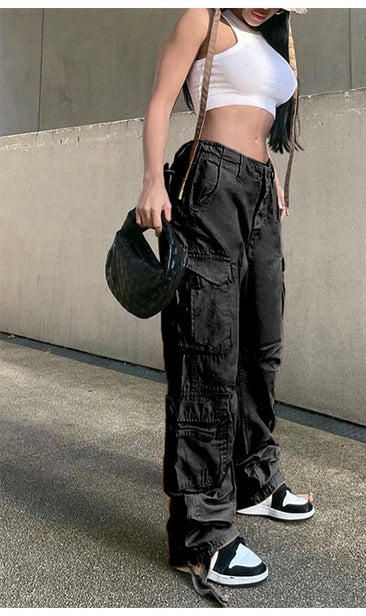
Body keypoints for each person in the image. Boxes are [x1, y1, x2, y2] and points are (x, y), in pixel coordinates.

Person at [135, 7, 313, 606]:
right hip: (209, 180)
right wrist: (152, 183)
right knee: (207, 351)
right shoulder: (203, 18)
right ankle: (201, 532)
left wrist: (271, 180)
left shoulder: (277, 38)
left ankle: (254, 479)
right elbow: (161, 100)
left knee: (262, 343)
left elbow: (264, 120)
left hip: (260, 191)